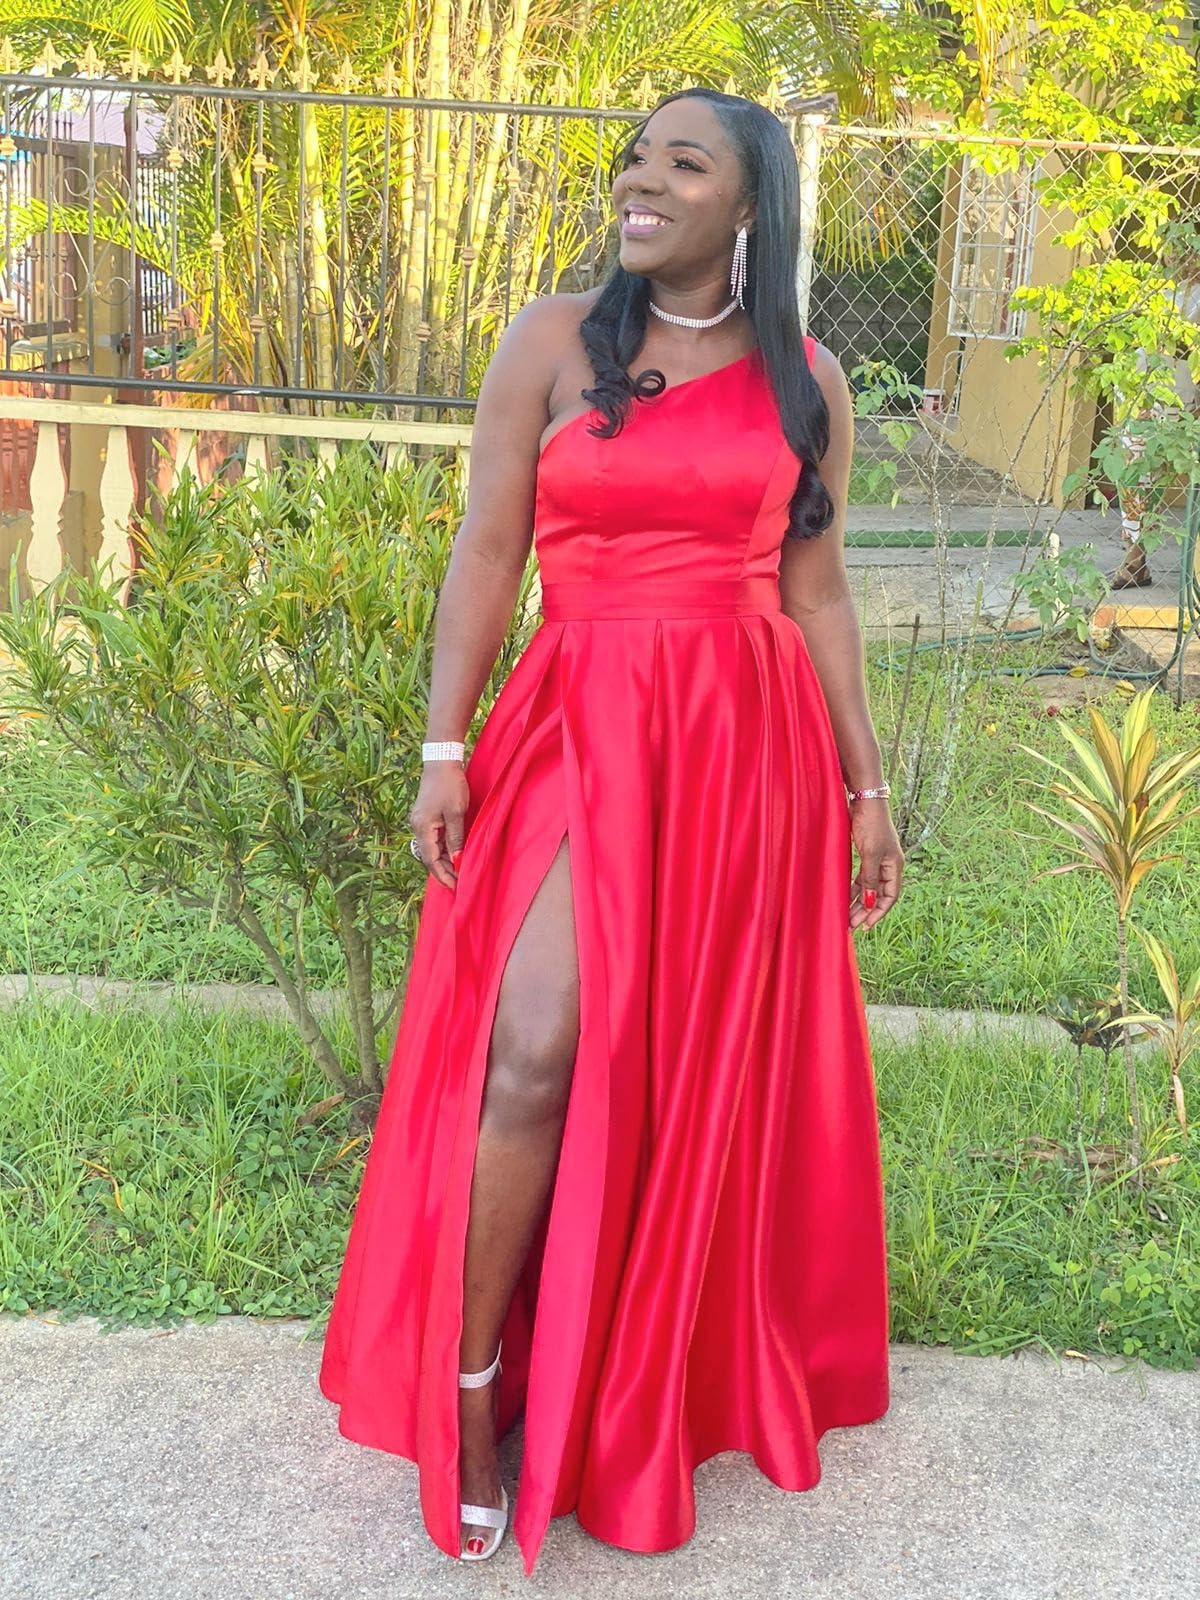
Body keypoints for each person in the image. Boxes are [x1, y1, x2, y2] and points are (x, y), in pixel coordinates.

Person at [318, 86, 904, 1575]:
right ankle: (471, 1388)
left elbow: (818, 589)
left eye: (682, 165)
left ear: (748, 207)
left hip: (741, 754)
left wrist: (866, 786)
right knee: (534, 1051)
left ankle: (639, 1380)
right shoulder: (550, 340)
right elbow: (488, 546)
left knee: (688, 1074)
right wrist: (444, 745)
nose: (642, 182)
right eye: (637, 158)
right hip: (582, 724)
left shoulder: (808, 380)